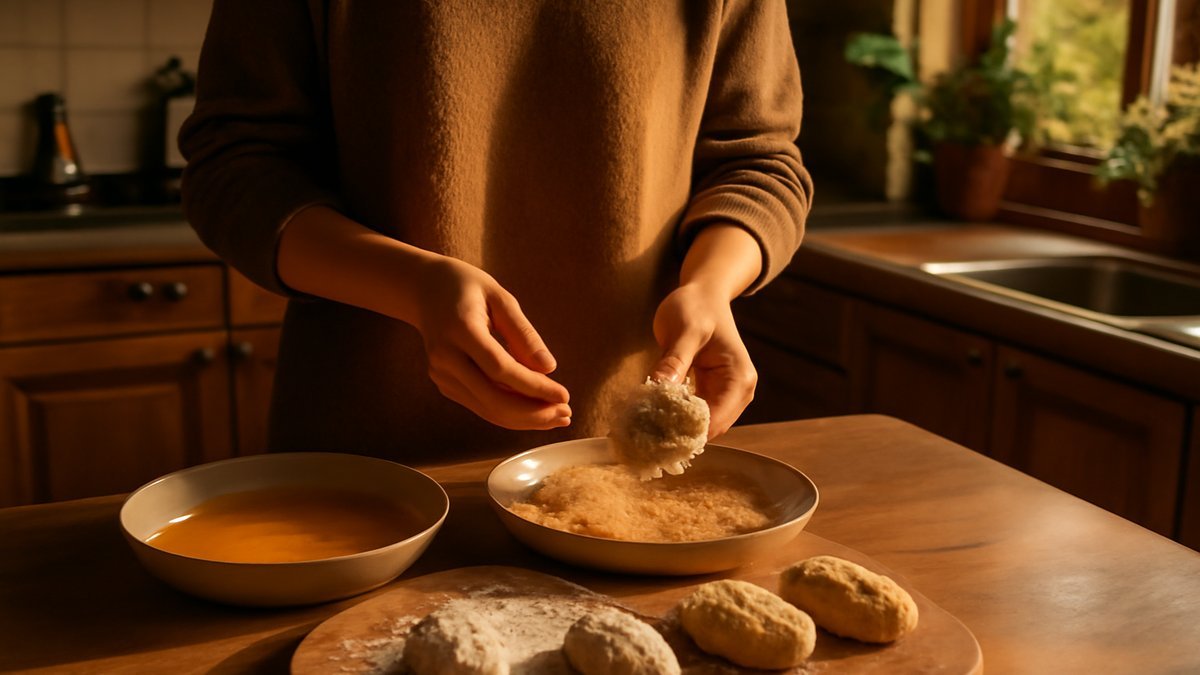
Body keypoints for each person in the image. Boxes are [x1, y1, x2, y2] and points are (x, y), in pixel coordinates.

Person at [180, 0, 813, 464]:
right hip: (366, 465)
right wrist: (411, 285)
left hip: (616, 463)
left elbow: (759, 162)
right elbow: (236, 168)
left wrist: (710, 286)